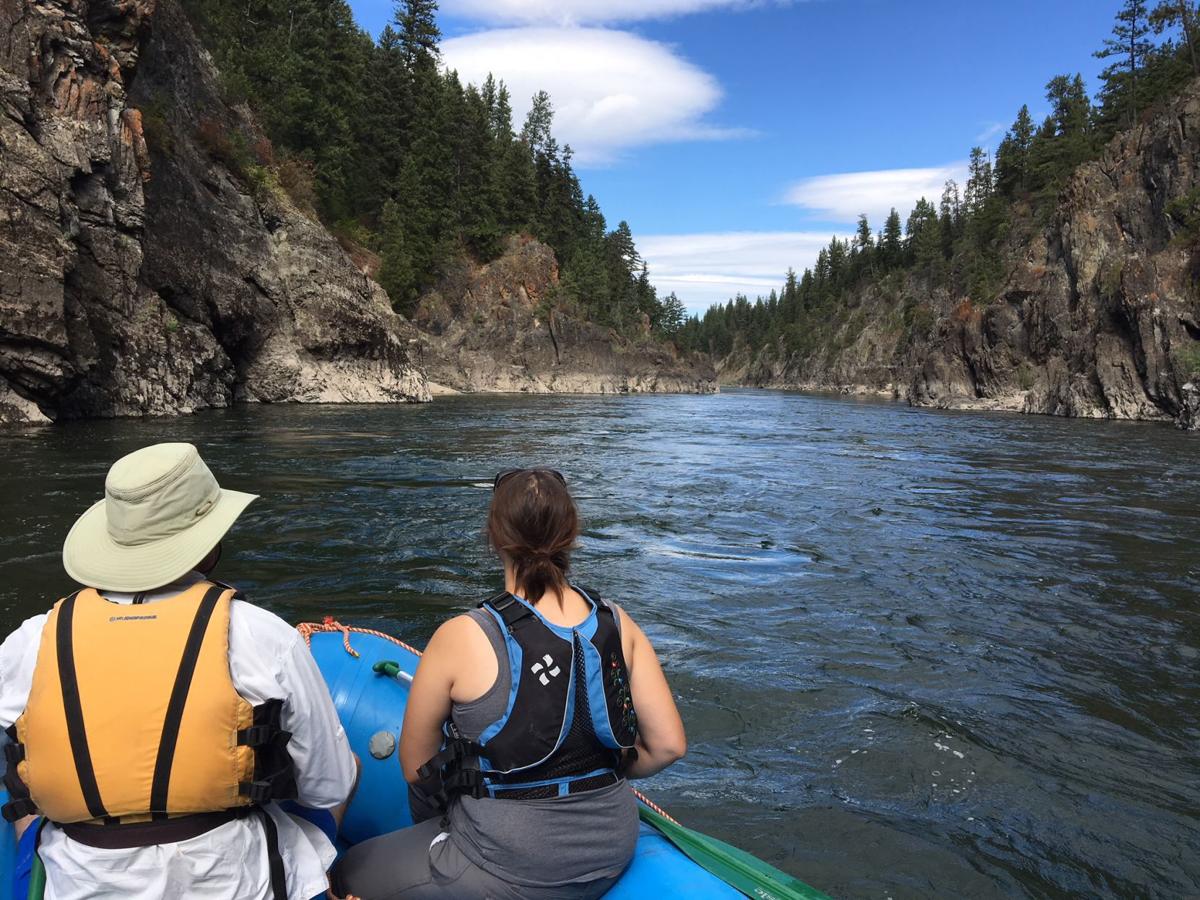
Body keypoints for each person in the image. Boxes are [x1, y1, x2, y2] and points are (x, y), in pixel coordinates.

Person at [0, 442, 358, 900]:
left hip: (81, 877)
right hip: (231, 877)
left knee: (30, 812)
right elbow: (328, 785)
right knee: (350, 767)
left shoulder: (31, 640)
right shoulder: (260, 635)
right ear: (209, 546)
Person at [332, 468, 687, 899]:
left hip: (508, 864)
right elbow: (669, 745)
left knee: (346, 873)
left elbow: (416, 767)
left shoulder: (463, 635)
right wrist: (594, 768)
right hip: (613, 847)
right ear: (571, 533)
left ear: (494, 537)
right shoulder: (617, 621)